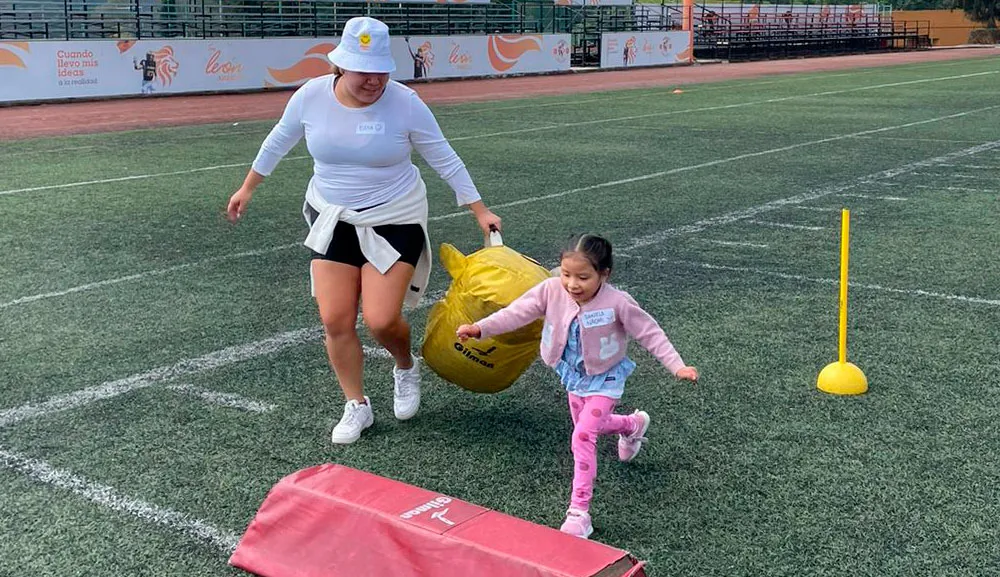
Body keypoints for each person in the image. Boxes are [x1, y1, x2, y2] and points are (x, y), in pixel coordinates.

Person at [226, 16, 502, 445]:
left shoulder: (406, 103)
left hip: (395, 216)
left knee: (381, 320)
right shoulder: (311, 96)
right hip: (333, 217)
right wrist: (248, 187)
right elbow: (279, 140)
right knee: (335, 319)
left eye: (380, 72)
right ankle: (357, 405)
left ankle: (405, 366)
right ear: (341, 67)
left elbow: (443, 156)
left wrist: (479, 210)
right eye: (363, 72)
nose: (373, 81)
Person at [456, 234, 698, 538]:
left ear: (604, 274)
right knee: (592, 427)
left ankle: (579, 512)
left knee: (583, 435)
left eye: (583, 277)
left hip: (607, 378)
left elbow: (649, 332)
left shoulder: (617, 303)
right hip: (573, 375)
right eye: (566, 274)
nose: (572, 284)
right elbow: (516, 312)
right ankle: (632, 425)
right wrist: (481, 329)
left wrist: (677, 365)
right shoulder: (550, 290)